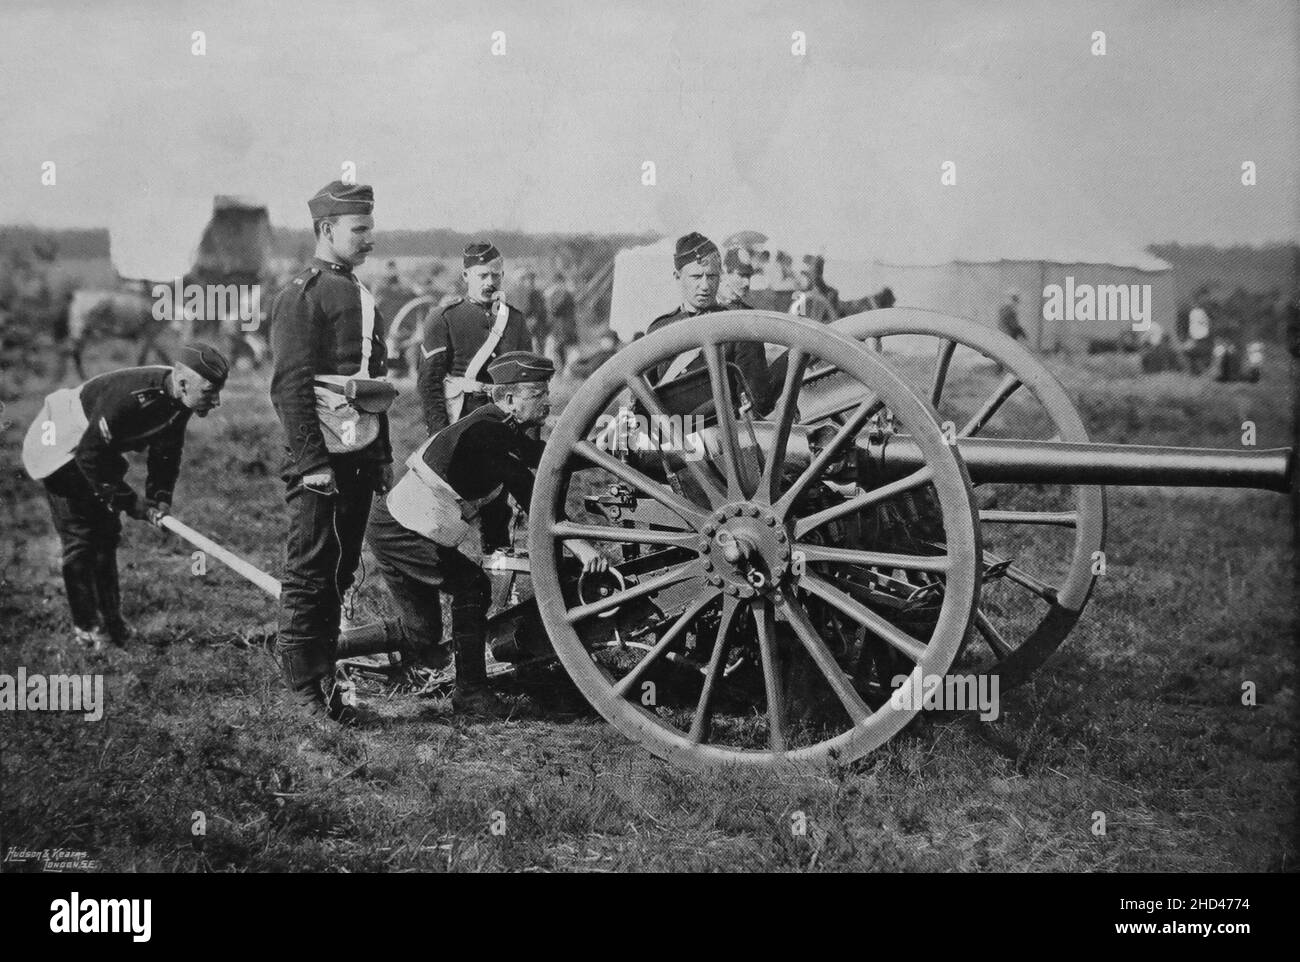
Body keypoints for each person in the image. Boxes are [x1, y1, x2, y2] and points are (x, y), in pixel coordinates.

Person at [368, 351, 607, 715]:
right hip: (400, 529)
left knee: (422, 633)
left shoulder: (497, 425)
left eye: (546, 391)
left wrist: (607, 452)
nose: (547, 399)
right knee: (471, 586)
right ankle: (471, 693)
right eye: (537, 393)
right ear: (509, 399)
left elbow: (547, 455)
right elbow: (531, 488)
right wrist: (584, 549)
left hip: (399, 527)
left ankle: (328, 648)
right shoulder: (486, 431)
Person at [269, 180, 397, 726]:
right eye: (359, 229)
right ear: (326, 230)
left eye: (370, 227)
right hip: (320, 460)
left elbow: (374, 386)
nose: (369, 238)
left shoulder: (360, 293)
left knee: (343, 570)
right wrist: (314, 465)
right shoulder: (302, 294)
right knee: (310, 572)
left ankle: (326, 679)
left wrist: (383, 457)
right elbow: (290, 387)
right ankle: (303, 692)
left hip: (360, 457)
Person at [22, 342, 228, 649]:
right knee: (82, 539)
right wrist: (132, 503)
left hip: (92, 450)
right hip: (60, 448)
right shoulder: (129, 400)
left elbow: (167, 451)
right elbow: (90, 456)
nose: (217, 401)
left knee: (106, 537)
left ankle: (114, 624)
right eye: (210, 391)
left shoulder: (179, 397)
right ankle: (87, 628)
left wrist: (159, 497)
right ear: (184, 383)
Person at [416, 241, 528, 554]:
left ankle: (500, 587)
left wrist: (527, 441)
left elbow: (529, 384)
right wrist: (439, 433)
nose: (490, 282)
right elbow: (429, 383)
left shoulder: (515, 321)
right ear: (466, 276)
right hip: (459, 428)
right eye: (482, 275)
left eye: (495, 275)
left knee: (498, 515)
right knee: (444, 513)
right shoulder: (444, 319)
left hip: (501, 428)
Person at [646, 232, 771, 412]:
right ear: (677, 277)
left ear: (720, 277)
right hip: (668, 434)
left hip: (719, 435)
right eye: (696, 277)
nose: (705, 286)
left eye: (711, 277)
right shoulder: (660, 329)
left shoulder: (738, 324)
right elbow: (642, 398)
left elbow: (758, 400)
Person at [544, 271, 579, 373]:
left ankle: (568, 370)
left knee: (564, 348)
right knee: (561, 349)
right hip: (562, 327)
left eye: (557, 283)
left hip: (564, 327)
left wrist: (548, 297)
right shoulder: (564, 293)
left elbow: (555, 309)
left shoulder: (564, 294)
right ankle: (565, 369)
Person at [513, 269, 550, 356]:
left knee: (538, 348)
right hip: (530, 323)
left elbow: (541, 309)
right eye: (528, 279)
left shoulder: (535, 292)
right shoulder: (528, 292)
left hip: (536, 324)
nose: (530, 281)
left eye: (531, 279)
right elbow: (526, 308)